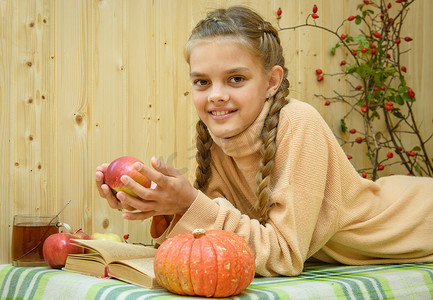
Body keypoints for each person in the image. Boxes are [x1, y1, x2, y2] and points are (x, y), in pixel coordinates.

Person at [95, 6, 433, 277]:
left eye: (236, 78)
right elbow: (221, 244)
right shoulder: (219, 138)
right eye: (201, 82)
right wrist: (163, 206)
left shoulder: (298, 122)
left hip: (418, 219)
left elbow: (283, 255)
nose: (216, 96)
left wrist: (188, 203)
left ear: (271, 81)